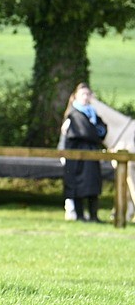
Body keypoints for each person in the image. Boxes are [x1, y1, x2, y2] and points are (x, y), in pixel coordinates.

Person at [59, 83, 107, 223]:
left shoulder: (92, 113)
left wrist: (97, 131)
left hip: (91, 154)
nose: (86, 97)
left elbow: (103, 130)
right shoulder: (74, 114)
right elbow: (86, 132)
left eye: (88, 94)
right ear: (76, 96)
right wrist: (96, 131)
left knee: (93, 185)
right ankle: (80, 216)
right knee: (78, 186)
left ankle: (93, 216)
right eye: (83, 94)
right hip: (77, 156)